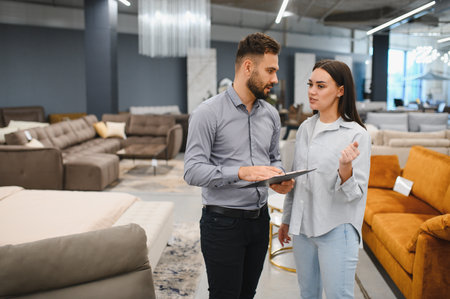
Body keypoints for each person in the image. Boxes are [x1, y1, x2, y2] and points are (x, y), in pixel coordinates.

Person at [184, 32, 294, 299]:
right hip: (222, 224)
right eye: (270, 70)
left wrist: (278, 176)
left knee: (248, 294)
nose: (275, 79)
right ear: (248, 67)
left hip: (260, 221)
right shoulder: (207, 113)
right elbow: (192, 170)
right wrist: (241, 172)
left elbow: (272, 157)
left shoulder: (270, 115)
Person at [278, 59, 371, 299]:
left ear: (340, 90)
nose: (311, 91)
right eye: (310, 84)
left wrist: (345, 169)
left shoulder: (357, 134)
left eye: (320, 86)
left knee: (339, 296)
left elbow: (355, 195)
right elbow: (295, 178)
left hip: (336, 229)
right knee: (308, 294)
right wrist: (287, 219)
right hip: (302, 230)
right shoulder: (306, 128)